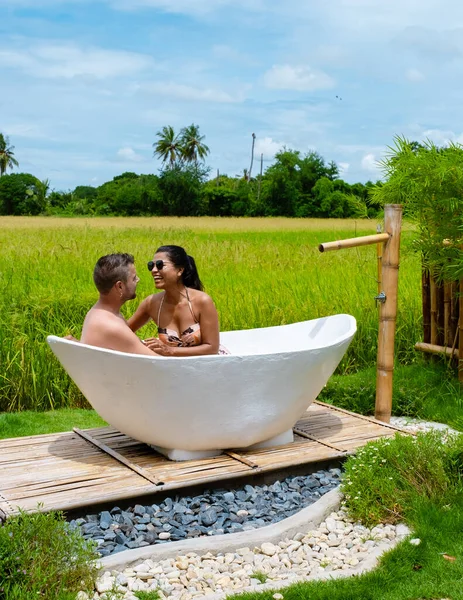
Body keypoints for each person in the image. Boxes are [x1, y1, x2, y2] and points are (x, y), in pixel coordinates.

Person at [128, 245, 223, 356]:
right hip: (172, 368)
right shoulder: (151, 303)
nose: (154, 270)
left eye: (160, 265)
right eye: (151, 265)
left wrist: (170, 350)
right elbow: (124, 332)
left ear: (180, 270)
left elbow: (211, 348)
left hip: (205, 367)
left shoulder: (202, 301)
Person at [75, 253, 156, 356]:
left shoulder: (97, 312)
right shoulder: (112, 326)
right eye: (134, 278)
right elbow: (160, 363)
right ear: (120, 286)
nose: (138, 280)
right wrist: (171, 350)